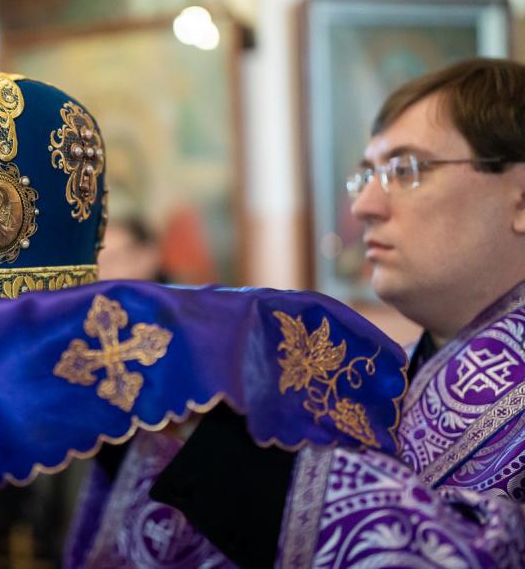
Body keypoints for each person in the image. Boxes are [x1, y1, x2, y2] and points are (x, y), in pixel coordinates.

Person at [144, 58, 525, 567]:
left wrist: (241, 460)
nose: (364, 205)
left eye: (405, 170)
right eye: (366, 176)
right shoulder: (382, 376)